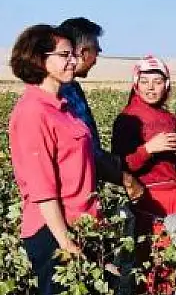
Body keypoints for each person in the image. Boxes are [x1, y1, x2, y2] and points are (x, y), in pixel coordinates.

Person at [8, 24, 102, 295]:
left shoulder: (62, 104)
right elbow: (42, 187)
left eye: (71, 54)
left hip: (78, 224)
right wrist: (65, 241)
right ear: (38, 60)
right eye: (63, 54)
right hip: (54, 231)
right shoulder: (32, 111)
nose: (72, 60)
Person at [57, 17, 144, 201]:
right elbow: (83, 149)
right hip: (71, 195)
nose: (98, 55)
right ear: (82, 52)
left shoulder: (72, 88)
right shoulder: (60, 92)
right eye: (97, 49)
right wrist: (123, 176)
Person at [111, 56, 176, 240]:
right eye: (144, 81)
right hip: (147, 197)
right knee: (151, 256)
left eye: (157, 82)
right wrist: (148, 149)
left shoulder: (169, 118)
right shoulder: (127, 120)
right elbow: (120, 166)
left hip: (174, 194)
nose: (151, 87)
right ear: (136, 84)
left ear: (166, 84)